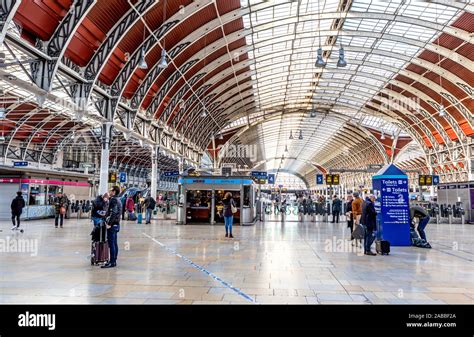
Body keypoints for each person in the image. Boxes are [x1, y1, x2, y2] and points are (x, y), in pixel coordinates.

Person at [102, 186, 122, 269]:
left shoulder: (113, 200)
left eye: (110, 190)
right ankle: (114, 260)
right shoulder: (119, 199)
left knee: (111, 244)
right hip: (116, 224)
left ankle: (112, 262)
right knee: (114, 243)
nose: (109, 191)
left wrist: (109, 223)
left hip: (112, 225)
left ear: (114, 192)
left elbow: (114, 212)